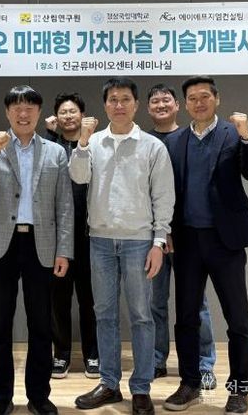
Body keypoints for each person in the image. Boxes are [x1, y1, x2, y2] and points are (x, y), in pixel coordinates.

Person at [70, 77, 174, 415]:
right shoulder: (93, 143)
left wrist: (158, 241)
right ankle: (109, 383)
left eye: (125, 99)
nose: (119, 105)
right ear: (105, 105)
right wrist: (82, 142)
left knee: (142, 316)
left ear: (136, 104)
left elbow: (163, 197)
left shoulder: (152, 147)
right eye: (113, 99)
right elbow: (78, 177)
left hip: (139, 242)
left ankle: (141, 387)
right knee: (104, 315)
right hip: (99, 240)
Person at [0, 85, 73, 415]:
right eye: (16, 107)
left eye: (30, 107)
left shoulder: (55, 152)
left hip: (41, 245)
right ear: (7, 112)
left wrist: (64, 250)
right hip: (0, 244)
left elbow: (65, 205)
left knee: (41, 324)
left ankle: (39, 396)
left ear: (39, 112)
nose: (23, 113)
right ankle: (1, 398)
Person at [162, 76, 248, 415]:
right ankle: (190, 384)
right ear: (184, 104)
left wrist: (247, 136)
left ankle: (240, 390)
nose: (199, 102)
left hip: (226, 240)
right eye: (192, 98)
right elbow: (168, 191)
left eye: (204, 96)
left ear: (216, 99)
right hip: (187, 240)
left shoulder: (233, 134)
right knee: (186, 318)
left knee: (238, 319)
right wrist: (166, 231)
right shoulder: (175, 141)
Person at [146, 84, 217, 390]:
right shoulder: (145, 142)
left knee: (197, 304)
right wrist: (159, 232)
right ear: (147, 108)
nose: (161, 105)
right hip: (153, 238)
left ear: (178, 105)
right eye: (155, 101)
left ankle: (204, 364)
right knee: (155, 303)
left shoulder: (190, 138)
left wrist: (173, 229)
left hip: (187, 236)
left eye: (166, 100)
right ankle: (157, 360)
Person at [44, 93, 99, 379]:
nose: (68, 116)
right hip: (57, 236)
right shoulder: (51, 146)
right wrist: (49, 134)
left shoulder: (94, 144)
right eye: (63, 112)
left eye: (73, 111)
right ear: (56, 117)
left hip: (90, 234)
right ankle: (61, 354)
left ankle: (93, 354)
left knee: (91, 300)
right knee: (59, 300)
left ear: (83, 115)